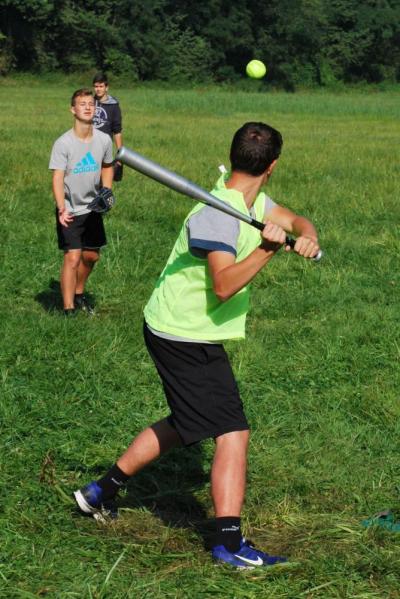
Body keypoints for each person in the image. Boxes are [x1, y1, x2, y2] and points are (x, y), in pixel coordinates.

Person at [74, 122, 320, 567]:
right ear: (274, 166)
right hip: (184, 334)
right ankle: (228, 544)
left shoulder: (250, 200)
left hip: (179, 326)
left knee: (186, 421)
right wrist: (265, 250)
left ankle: (99, 492)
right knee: (232, 431)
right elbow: (224, 285)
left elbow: (292, 217)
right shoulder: (218, 214)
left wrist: (307, 234)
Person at [49, 88, 114, 316]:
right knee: (73, 256)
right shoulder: (63, 143)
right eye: (82, 104)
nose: (88, 107)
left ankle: (78, 292)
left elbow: (108, 166)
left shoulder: (104, 140)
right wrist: (61, 207)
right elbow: (57, 177)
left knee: (91, 256)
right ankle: (68, 309)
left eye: (91, 104)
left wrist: (106, 191)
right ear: (73, 110)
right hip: (70, 209)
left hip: (92, 207)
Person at [92, 72, 124, 181]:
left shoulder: (113, 106)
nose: (98, 89)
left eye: (101, 86)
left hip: (105, 147)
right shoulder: (89, 103)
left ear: (107, 87)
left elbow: (117, 131)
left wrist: (120, 155)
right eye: (96, 86)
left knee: (103, 180)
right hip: (88, 146)